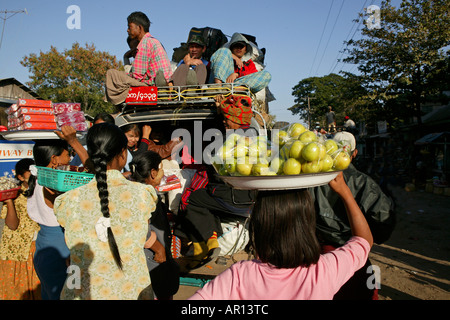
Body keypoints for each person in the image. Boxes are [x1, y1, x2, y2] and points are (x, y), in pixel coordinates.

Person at [189, 172, 373, 300]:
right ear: (308, 224)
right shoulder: (323, 271)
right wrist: (344, 192)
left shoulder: (241, 275)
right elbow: (364, 241)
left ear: (259, 225)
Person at [53, 123, 158, 300]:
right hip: (131, 291)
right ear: (123, 153)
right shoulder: (143, 195)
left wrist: (73, 142)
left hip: (82, 292)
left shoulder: (68, 201)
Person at [173, 94, 256, 268]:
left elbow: (211, 160)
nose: (225, 122)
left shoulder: (230, 141)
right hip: (249, 196)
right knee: (205, 200)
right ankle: (206, 244)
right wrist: (221, 112)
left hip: (234, 196)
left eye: (227, 119)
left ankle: (206, 245)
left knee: (193, 198)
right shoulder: (253, 133)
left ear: (236, 120)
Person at [310, 131, 395, 300]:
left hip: (317, 254)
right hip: (355, 255)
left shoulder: (312, 178)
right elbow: (383, 222)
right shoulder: (364, 182)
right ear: (355, 153)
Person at [129, 151, 180, 299]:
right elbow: (140, 229)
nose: (163, 172)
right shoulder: (143, 194)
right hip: (151, 258)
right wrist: (158, 249)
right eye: (161, 168)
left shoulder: (138, 190)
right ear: (153, 173)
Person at [26, 139, 71, 300]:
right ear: (54, 159)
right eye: (68, 155)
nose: (70, 159)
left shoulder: (36, 179)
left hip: (44, 243)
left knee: (50, 293)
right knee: (66, 293)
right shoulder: (51, 185)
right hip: (60, 246)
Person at [105, 11, 173, 106]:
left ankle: (119, 98)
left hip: (152, 86)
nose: (127, 30)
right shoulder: (153, 41)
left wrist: (124, 77)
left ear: (139, 28)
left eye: (130, 27)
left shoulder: (145, 43)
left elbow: (137, 76)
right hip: (162, 83)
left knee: (111, 74)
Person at [0, 158, 41, 300]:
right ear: (20, 177)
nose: (34, 175)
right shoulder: (14, 194)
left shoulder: (43, 192)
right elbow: (12, 225)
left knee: (39, 289)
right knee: (17, 291)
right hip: (16, 250)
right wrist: (9, 202)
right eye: (30, 172)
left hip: (37, 247)